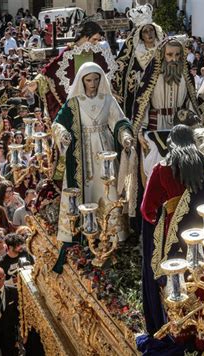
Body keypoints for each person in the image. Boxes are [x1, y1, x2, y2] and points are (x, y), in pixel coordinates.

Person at [140, 124, 204, 337]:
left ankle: (178, 331)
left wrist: (163, 214)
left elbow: (147, 209)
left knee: (174, 276)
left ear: (171, 144)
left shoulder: (162, 169)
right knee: (203, 275)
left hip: (173, 238)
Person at [51, 62, 133, 243]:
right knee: (86, 188)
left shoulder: (108, 100)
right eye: (89, 80)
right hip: (82, 153)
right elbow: (57, 123)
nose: (93, 83)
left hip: (106, 151)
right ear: (82, 81)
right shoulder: (74, 102)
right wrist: (63, 134)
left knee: (108, 190)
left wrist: (125, 136)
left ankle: (112, 232)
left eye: (96, 79)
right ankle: (84, 231)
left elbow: (120, 121)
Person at [27, 20, 118, 120]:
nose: (96, 43)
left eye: (98, 40)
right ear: (85, 37)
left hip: (96, 103)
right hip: (76, 104)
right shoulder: (69, 53)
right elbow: (50, 71)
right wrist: (36, 82)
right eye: (94, 39)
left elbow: (107, 74)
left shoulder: (98, 53)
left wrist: (110, 91)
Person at [111, 3, 164, 119]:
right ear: (140, 35)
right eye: (145, 31)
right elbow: (120, 71)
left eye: (151, 30)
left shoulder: (163, 49)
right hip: (140, 97)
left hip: (161, 95)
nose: (149, 33)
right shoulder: (135, 53)